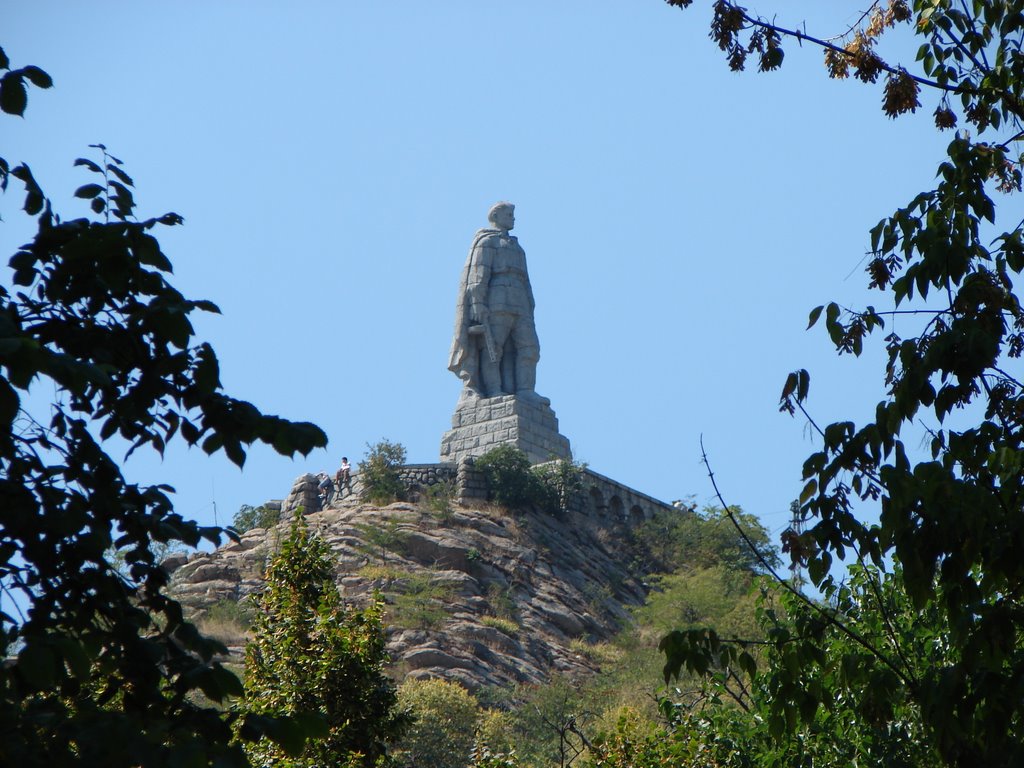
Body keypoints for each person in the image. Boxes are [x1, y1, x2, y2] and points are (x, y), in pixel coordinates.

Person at [448, 202, 541, 399]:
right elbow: (477, 275)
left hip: (521, 303)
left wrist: (530, 304)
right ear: (496, 216)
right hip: (498, 301)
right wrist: (478, 303)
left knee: (529, 348)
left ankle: (525, 390)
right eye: (509, 214)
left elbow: (526, 281)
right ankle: (494, 390)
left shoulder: (517, 247)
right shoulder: (487, 242)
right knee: (492, 348)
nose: (513, 218)